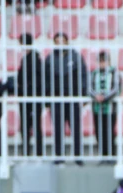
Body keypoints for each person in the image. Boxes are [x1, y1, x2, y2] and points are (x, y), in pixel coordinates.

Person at [45, 32, 88, 160]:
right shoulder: (50, 58)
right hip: (56, 99)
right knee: (58, 129)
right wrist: (47, 98)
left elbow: (83, 75)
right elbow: (46, 80)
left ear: (67, 42)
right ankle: (59, 156)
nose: (60, 44)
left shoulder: (75, 57)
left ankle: (78, 156)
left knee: (75, 129)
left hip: (73, 98)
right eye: (57, 42)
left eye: (62, 41)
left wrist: (83, 94)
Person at [89, 51, 121, 159]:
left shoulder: (114, 72)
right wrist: (96, 96)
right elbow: (89, 88)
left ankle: (111, 155)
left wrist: (105, 97)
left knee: (110, 131)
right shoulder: (94, 73)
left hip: (110, 108)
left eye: (105, 61)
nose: (103, 63)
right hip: (97, 108)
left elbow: (117, 88)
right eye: (101, 61)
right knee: (99, 132)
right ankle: (102, 155)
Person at [16, 34, 45, 157]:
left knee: (33, 126)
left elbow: (38, 78)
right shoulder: (28, 58)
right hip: (26, 97)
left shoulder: (34, 58)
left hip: (33, 97)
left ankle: (35, 152)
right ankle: (28, 152)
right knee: (27, 126)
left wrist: (27, 88)